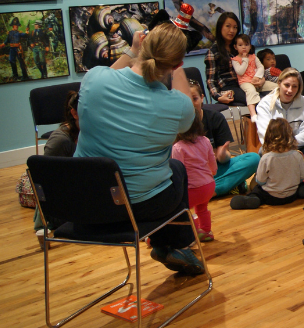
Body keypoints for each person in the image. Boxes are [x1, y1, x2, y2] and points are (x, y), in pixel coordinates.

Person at [74, 22, 203, 275]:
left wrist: (133, 51)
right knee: (175, 170)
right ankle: (174, 245)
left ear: (142, 46)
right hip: (136, 208)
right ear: (177, 64)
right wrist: (177, 67)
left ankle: (173, 246)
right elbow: (189, 114)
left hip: (81, 202)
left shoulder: (94, 79)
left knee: (169, 171)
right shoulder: (177, 105)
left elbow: (108, 76)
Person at [255, 67, 304, 173]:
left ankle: (281, 170)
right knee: (262, 151)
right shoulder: (265, 104)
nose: (290, 90)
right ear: (279, 83)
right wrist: (284, 148)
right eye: (286, 85)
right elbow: (265, 137)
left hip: (299, 147)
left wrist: (290, 146)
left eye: (294, 86)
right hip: (276, 150)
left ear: (299, 88)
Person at [230, 118, 304, 209]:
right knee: (302, 186)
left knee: (256, 190)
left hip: (271, 197)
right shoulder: (297, 155)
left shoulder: (266, 158)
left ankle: (254, 198)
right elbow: (302, 177)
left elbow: (260, 180)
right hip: (292, 195)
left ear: (269, 136)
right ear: (290, 135)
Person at [190, 80, 258, 197]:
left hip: (216, 169)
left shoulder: (215, 118)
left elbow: (224, 158)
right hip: (194, 174)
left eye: (194, 99)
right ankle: (226, 186)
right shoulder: (177, 123)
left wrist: (222, 155)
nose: (191, 104)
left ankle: (205, 191)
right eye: (186, 100)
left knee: (254, 158)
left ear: (201, 98)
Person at [32, 90, 80, 240]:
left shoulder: (93, 133)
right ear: (75, 113)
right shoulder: (61, 140)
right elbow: (45, 180)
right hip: (62, 206)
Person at [171, 116, 217, 242]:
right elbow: (212, 162)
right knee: (202, 208)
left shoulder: (178, 147)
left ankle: (192, 232)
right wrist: (213, 172)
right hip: (208, 185)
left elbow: (178, 171)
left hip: (192, 188)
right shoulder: (205, 140)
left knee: (183, 210)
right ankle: (206, 231)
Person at [204, 12, 250, 106]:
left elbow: (253, 64)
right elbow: (210, 81)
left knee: (272, 95)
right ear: (220, 27)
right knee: (255, 100)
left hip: (246, 82)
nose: (232, 30)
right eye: (228, 26)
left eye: (235, 27)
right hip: (228, 88)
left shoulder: (240, 46)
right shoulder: (213, 51)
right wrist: (218, 96)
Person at [230, 33, 277, 119]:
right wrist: (244, 60)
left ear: (250, 46)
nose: (244, 47)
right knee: (251, 92)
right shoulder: (235, 60)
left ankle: (268, 103)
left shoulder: (253, 57)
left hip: (257, 80)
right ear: (235, 47)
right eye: (240, 45)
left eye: (246, 44)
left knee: (276, 87)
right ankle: (253, 113)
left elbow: (260, 67)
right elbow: (240, 71)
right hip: (245, 82)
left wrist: (257, 77)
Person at [2, 17, 29, 81]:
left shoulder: (19, 33)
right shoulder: (10, 33)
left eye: (17, 25)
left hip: (18, 49)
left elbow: (26, 35)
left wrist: (27, 31)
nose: (16, 26)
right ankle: (15, 75)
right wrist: (3, 44)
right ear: (13, 26)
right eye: (15, 25)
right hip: (12, 49)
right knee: (11, 61)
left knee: (21, 62)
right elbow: (7, 40)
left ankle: (25, 76)